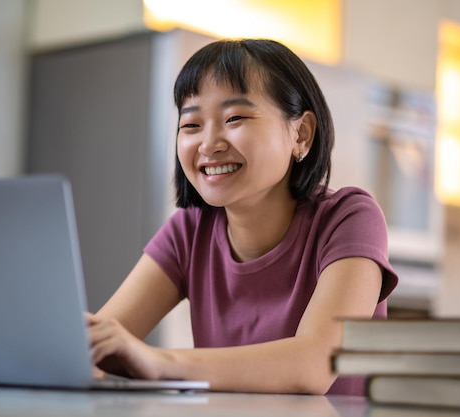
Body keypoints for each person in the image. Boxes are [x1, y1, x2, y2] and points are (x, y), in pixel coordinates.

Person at [86, 38, 398, 396]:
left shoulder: (349, 218)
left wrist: (160, 363)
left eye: (234, 118)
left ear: (301, 133)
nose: (209, 143)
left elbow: (315, 365)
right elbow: (100, 346)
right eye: (191, 125)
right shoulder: (189, 231)